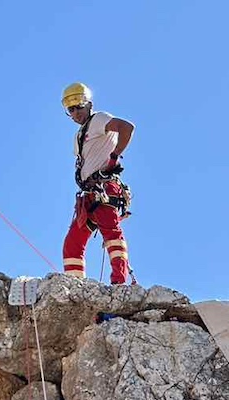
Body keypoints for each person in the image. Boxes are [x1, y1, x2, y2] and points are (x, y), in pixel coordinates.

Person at [60, 83, 135, 285]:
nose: (75, 113)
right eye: (71, 109)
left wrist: (114, 156)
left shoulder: (98, 119)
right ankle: (74, 286)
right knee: (72, 244)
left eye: (79, 107)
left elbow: (126, 127)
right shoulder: (80, 135)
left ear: (89, 104)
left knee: (112, 234)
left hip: (103, 187)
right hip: (89, 194)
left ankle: (119, 284)